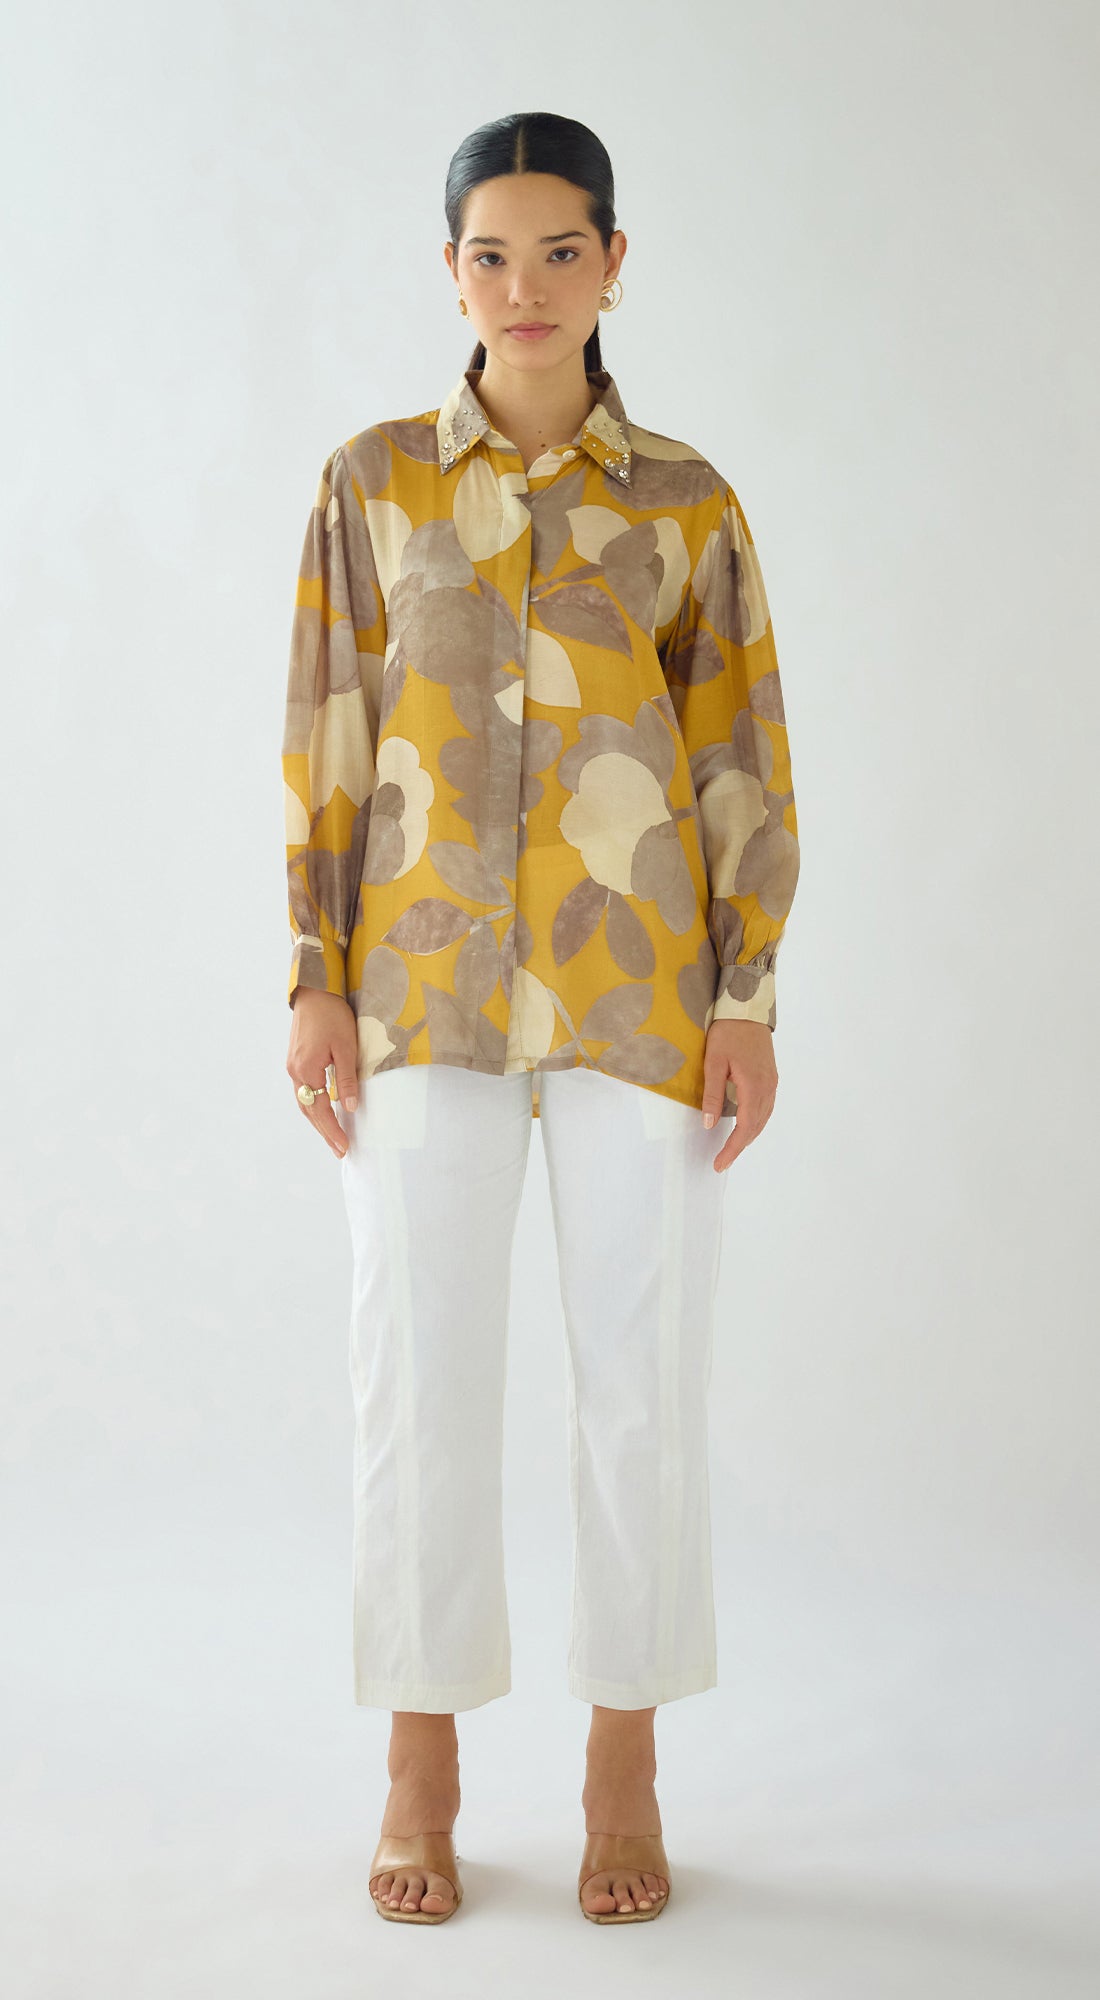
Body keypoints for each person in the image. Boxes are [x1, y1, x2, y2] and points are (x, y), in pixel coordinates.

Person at [282, 111, 800, 1927]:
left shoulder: (687, 504)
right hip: (417, 989)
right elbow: (328, 734)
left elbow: (736, 751)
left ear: (613, 266)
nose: (524, 288)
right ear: (452, 274)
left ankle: (622, 1762)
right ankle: (418, 1766)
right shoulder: (370, 486)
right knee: (414, 1376)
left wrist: (746, 992)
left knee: (640, 1385)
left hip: (639, 996)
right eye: (490, 256)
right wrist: (314, 971)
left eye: (559, 252)